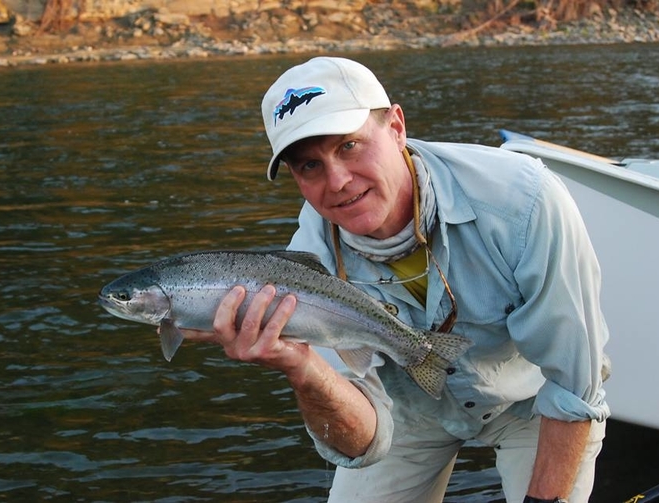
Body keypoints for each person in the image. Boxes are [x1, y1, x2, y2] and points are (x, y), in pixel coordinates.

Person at [182, 56, 610, 502]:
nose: (338, 181)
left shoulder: (522, 201)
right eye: (309, 166)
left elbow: (574, 384)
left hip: (535, 400)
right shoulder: (304, 269)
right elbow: (362, 442)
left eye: (349, 145)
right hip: (407, 407)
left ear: (397, 127)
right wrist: (301, 366)